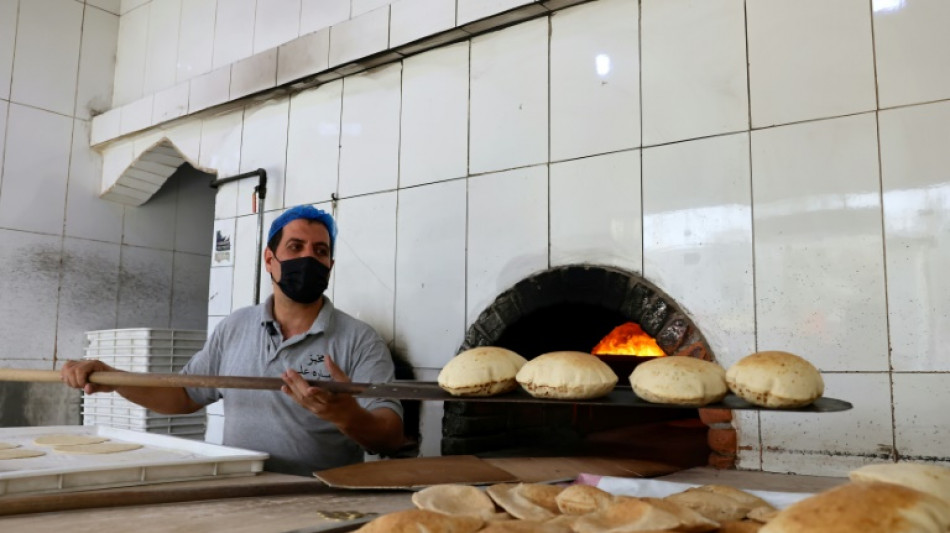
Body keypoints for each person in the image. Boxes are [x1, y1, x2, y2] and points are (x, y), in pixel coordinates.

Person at [62, 205, 408, 475]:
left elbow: (391, 437)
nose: (308, 258)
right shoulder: (235, 328)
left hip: (321, 502)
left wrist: (347, 416)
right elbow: (183, 395)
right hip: (242, 491)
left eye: (319, 251)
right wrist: (112, 378)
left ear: (330, 265)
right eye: (295, 247)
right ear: (270, 260)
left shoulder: (359, 340)